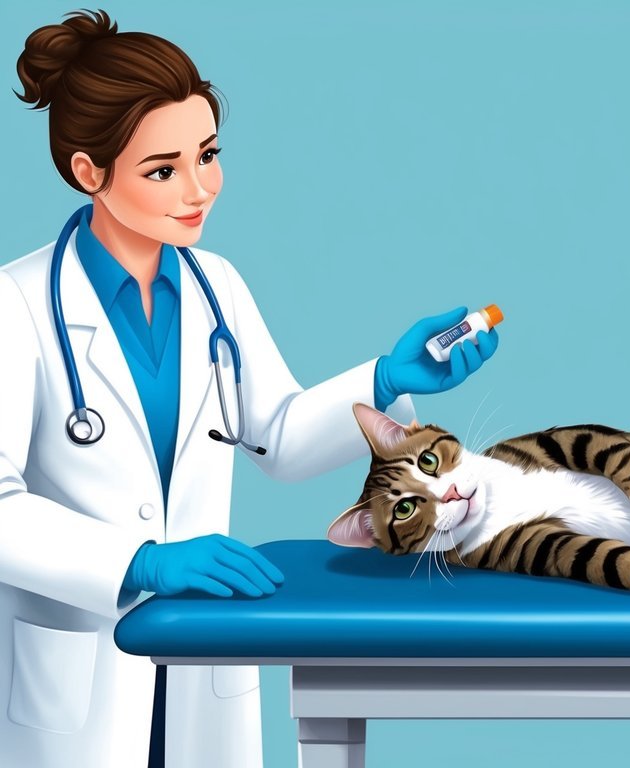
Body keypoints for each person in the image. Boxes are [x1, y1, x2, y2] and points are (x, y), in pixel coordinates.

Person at [0, 10, 498, 768]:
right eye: (163, 169)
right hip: (78, 683)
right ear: (87, 172)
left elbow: (280, 437)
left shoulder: (216, 287)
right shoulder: (18, 306)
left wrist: (385, 380)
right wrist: (141, 562)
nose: (200, 189)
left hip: (204, 669)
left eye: (207, 155)